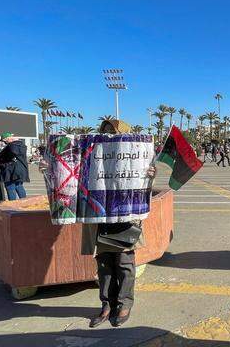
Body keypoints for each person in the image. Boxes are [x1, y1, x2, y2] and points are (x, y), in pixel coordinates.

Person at [40, 119, 155, 328]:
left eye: (114, 132)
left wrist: (150, 174)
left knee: (124, 263)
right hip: (97, 217)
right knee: (103, 265)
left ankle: (124, 303)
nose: (109, 136)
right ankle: (107, 305)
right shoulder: (91, 151)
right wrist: (50, 167)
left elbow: (144, 181)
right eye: (106, 132)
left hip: (125, 218)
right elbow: (71, 170)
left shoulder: (137, 152)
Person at [0, 132, 30, 200]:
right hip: (19, 169)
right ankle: (24, 203)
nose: (4, 142)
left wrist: (4, 164)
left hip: (11, 170)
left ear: (7, 138)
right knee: (18, 186)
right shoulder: (21, 145)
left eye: (4, 140)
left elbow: (12, 154)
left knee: (10, 187)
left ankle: (12, 206)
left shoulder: (12, 146)